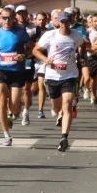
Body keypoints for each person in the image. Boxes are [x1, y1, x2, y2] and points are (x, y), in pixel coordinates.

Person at [34, 11, 88, 151]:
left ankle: (64, 137)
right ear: (58, 22)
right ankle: (58, 114)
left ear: (70, 22)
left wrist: (81, 55)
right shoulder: (50, 35)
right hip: (52, 76)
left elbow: (83, 45)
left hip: (69, 75)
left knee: (67, 104)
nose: (64, 24)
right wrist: (46, 60)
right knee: (57, 107)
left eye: (66, 22)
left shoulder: (76, 35)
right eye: (62, 22)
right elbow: (36, 50)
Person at [0, 8, 32, 147]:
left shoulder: (20, 32)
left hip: (17, 70)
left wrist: (24, 55)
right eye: (4, 18)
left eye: (9, 18)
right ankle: (6, 135)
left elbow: (31, 48)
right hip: (1, 70)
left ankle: (13, 113)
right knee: (1, 100)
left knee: (14, 105)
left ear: (14, 18)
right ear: (1, 18)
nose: (6, 21)